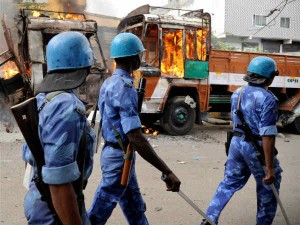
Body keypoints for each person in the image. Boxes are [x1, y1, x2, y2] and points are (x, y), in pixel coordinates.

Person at [88, 32, 181, 225]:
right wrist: (166, 170)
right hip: (120, 158)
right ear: (132, 58)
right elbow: (135, 137)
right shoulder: (125, 87)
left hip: (114, 153)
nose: (140, 59)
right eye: (139, 55)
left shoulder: (109, 83)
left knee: (134, 207)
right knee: (99, 213)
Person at [22, 31, 95, 225]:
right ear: (85, 63)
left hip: (43, 201)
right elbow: (59, 182)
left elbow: (31, 159)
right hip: (55, 210)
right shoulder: (65, 106)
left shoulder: (42, 100)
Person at [201, 56, 283, 225]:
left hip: (236, 144)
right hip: (256, 148)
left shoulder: (237, 93)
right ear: (270, 77)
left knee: (229, 182)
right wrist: (269, 168)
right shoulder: (268, 99)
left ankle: (209, 218)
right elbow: (267, 134)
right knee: (268, 187)